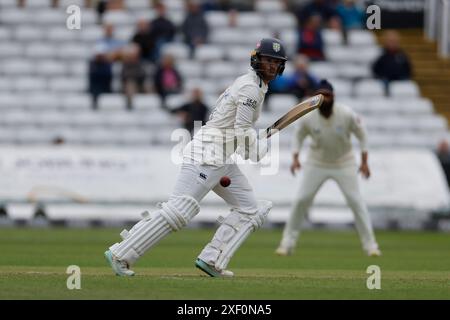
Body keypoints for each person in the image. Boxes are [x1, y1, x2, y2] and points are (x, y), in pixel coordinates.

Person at [104, 38, 288, 277]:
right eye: (268, 60)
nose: (272, 66)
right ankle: (121, 253)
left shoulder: (256, 85)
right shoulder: (250, 87)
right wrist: (257, 150)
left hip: (221, 156)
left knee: (250, 210)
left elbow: (235, 129)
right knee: (180, 210)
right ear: (256, 59)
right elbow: (241, 129)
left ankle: (212, 259)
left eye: (276, 62)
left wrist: (249, 148)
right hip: (207, 154)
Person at [275, 79, 381, 257]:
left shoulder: (346, 113)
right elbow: (298, 136)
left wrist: (364, 161)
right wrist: (295, 158)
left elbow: (362, 135)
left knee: (356, 202)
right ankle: (287, 243)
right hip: (317, 163)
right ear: (316, 97)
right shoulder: (309, 116)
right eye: (321, 95)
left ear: (334, 97)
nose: (325, 99)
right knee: (301, 200)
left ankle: (371, 246)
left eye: (328, 95)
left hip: (344, 163)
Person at [372, 30, 412, 95]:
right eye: (391, 41)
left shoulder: (402, 55)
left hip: (400, 79)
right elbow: (375, 69)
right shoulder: (381, 54)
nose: (393, 43)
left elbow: (408, 69)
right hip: (385, 80)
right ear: (386, 42)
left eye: (394, 41)